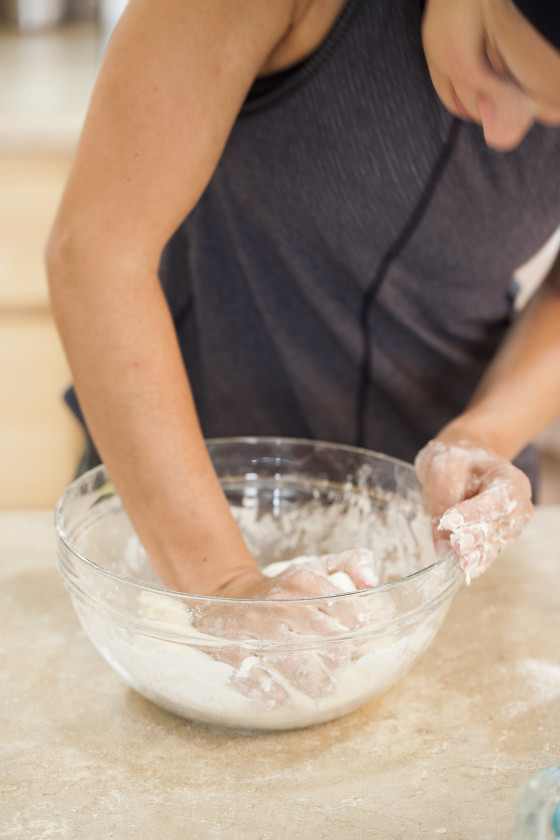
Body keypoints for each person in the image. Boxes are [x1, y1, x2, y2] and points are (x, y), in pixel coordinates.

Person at [47, 0, 560, 602]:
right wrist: (227, 587)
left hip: (440, 556)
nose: (504, 131)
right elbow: (99, 255)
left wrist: (485, 436)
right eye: (496, 59)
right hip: (176, 522)